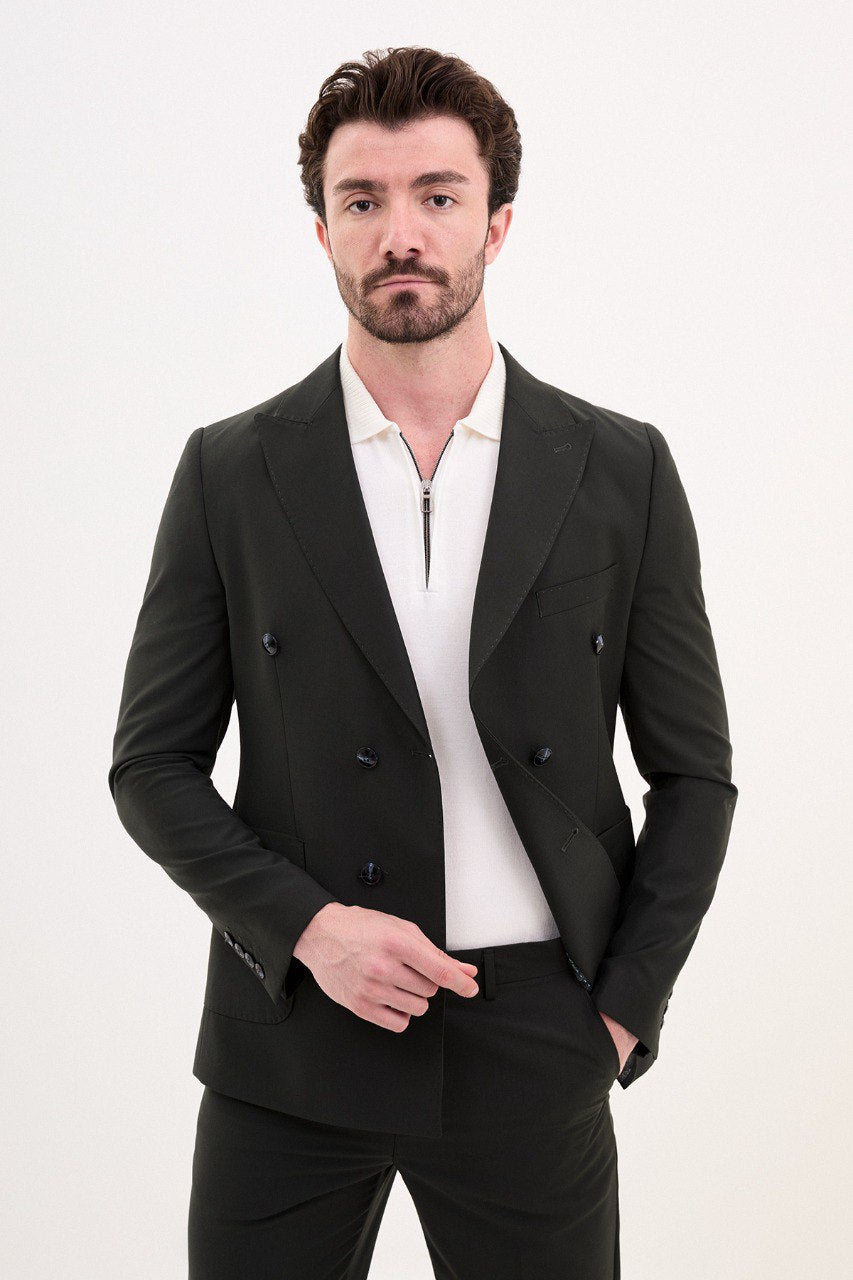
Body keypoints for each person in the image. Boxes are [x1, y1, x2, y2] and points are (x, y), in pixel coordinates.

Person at [108, 45, 738, 1279]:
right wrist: (305, 927)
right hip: (293, 1033)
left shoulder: (621, 469)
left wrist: (622, 1005)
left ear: (496, 223)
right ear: (323, 232)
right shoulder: (231, 471)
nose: (400, 233)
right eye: (363, 200)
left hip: (541, 1039)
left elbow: (695, 775)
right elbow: (152, 765)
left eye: (437, 195)